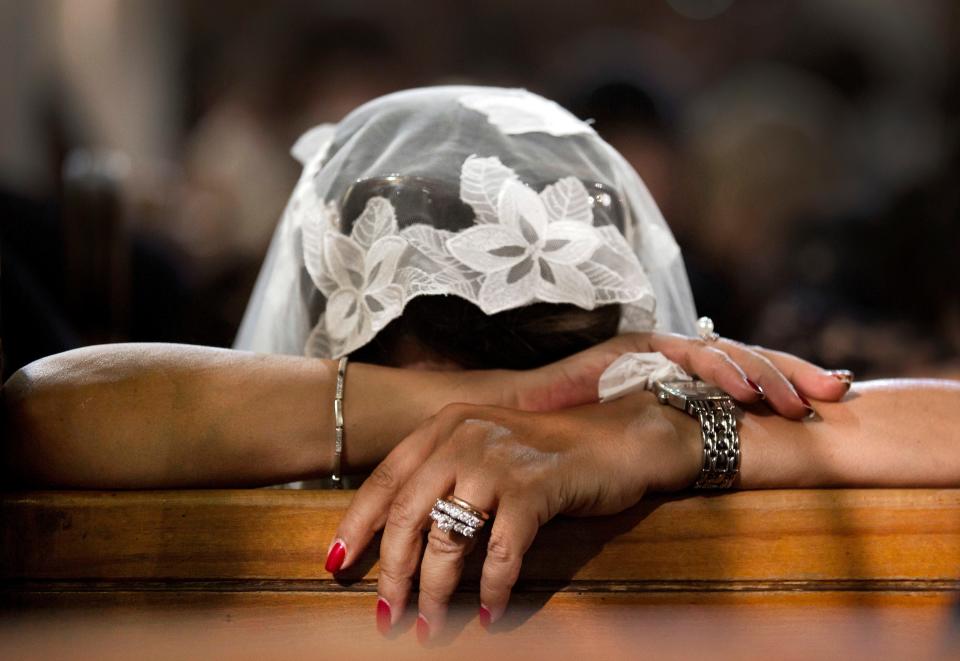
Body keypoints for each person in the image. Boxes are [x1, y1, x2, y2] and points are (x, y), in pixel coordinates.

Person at [2, 87, 958, 643]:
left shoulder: (653, 437)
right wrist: (511, 401)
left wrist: (664, 427)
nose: (479, 461)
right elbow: (40, 412)